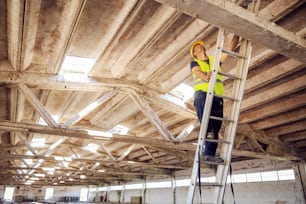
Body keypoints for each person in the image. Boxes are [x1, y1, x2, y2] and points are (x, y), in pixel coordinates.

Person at [190, 35, 239, 163]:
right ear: (194, 53)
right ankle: (207, 131)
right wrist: (205, 76)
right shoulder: (195, 62)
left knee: (216, 125)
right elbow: (196, 72)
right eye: (196, 47)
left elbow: (229, 49)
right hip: (202, 94)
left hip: (217, 95)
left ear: (204, 48)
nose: (198, 46)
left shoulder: (214, 60)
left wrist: (237, 35)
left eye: (200, 45)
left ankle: (209, 154)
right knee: (206, 121)